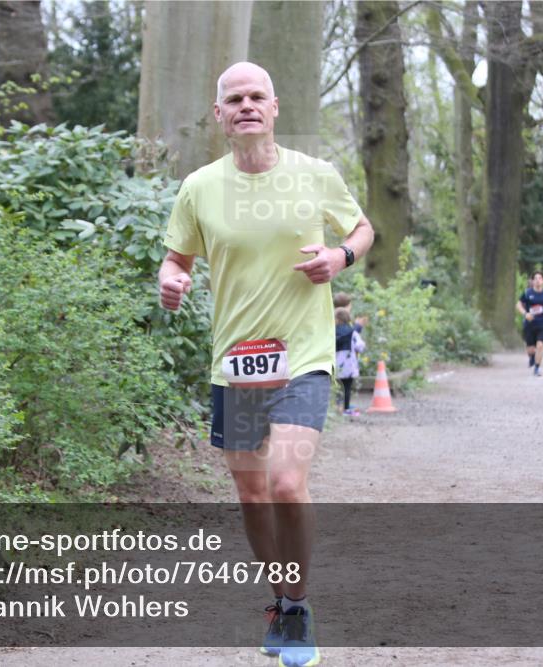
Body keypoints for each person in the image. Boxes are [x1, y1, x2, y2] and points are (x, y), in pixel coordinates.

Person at [158, 61, 374, 667]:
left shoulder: (315, 174)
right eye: (235, 98)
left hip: (302, 356)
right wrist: (171, 281)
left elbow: (362, 228)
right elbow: (177, 260)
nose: (247, 104)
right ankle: (278, 600)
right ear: (220, 114)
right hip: (236, 363)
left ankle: (298, 607)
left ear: (275, 107)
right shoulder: (200, 187)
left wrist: (340, 257)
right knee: (252, 493)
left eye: (257, 96)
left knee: (284, 481)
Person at [516, 271, 543, 377]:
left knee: (540, 345)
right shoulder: (527, 293)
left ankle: (537, 368)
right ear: (532, 281)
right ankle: (531, 357)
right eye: (535, 278)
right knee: (530, 349)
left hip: (542, 324)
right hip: (529, 324)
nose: (538, 280)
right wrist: (525, 313)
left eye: (540, 278)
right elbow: (519, 304)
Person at [335, 307, 366, 416]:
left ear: (337, 319)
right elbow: (360, 346)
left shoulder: (332, 331)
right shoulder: (352, 332)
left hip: (336, 364)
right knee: (347, 388)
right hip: (349, 364)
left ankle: (336, 407)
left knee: (337, 387)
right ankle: (346, 409)